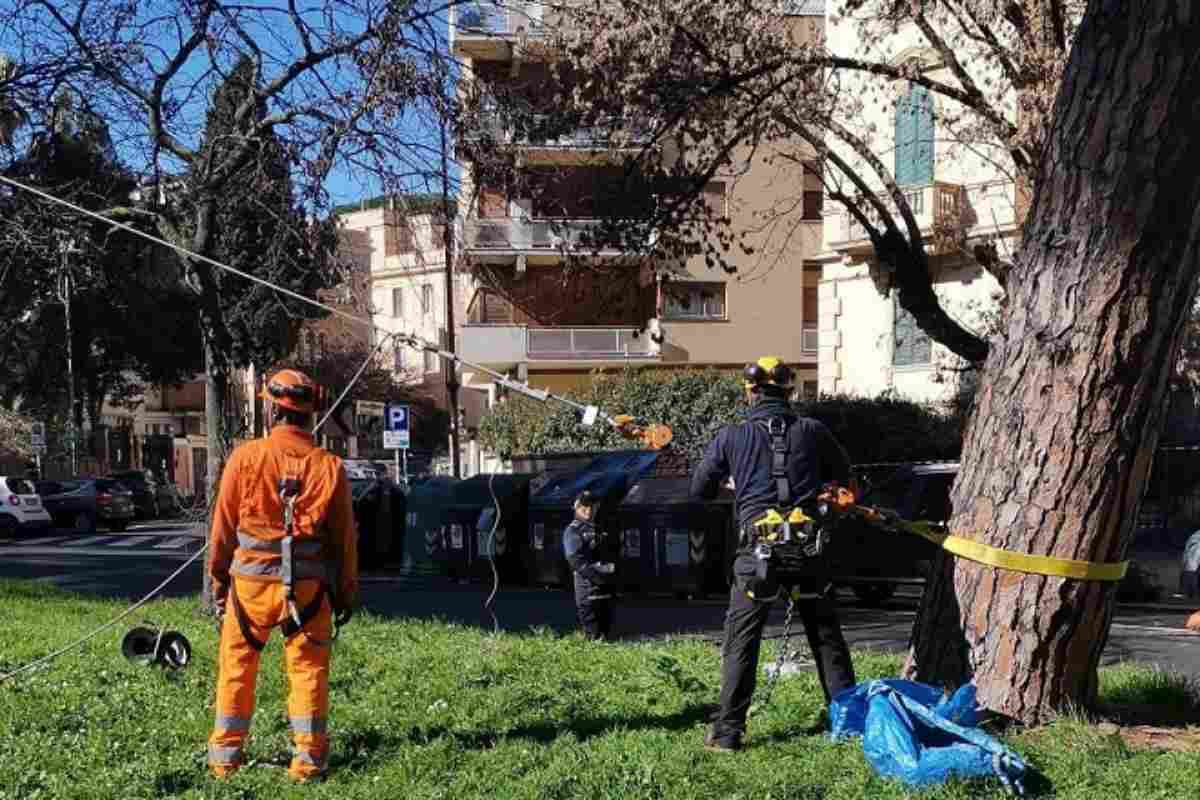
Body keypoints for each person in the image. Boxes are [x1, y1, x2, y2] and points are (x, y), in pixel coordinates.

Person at [691, 356, 856, 753]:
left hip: (756, 556)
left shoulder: (731, 436)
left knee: (742, 643)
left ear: (750, 392)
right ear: (790, 391)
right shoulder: (814, 431)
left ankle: (728, 734)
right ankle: (852, 725)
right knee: (826, 638)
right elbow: (846, 481)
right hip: (806, 551)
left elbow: (700, 490)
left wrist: (738, 483)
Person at [206, 369, 358, 782]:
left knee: (237, 668)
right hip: (307, 592)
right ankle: (308, 763)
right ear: (312, 415)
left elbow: (221, 532)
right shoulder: (329, 467)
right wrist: (345, 595)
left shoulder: (245, 458)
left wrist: (218, 586)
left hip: (249, 591)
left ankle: (224, 762)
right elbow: (344, 542)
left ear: (271, 409)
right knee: (308, 671)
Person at [562, 490, 617, 641]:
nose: (589, 510)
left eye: (592, 506)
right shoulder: (572, 531)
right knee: (593, 636)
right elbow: (575, 560)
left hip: (606, 591)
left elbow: (613, 555)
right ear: (577, 508)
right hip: (588, 592)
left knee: (606, 637)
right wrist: (599, 577)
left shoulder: (602, 528)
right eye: (584, 506)